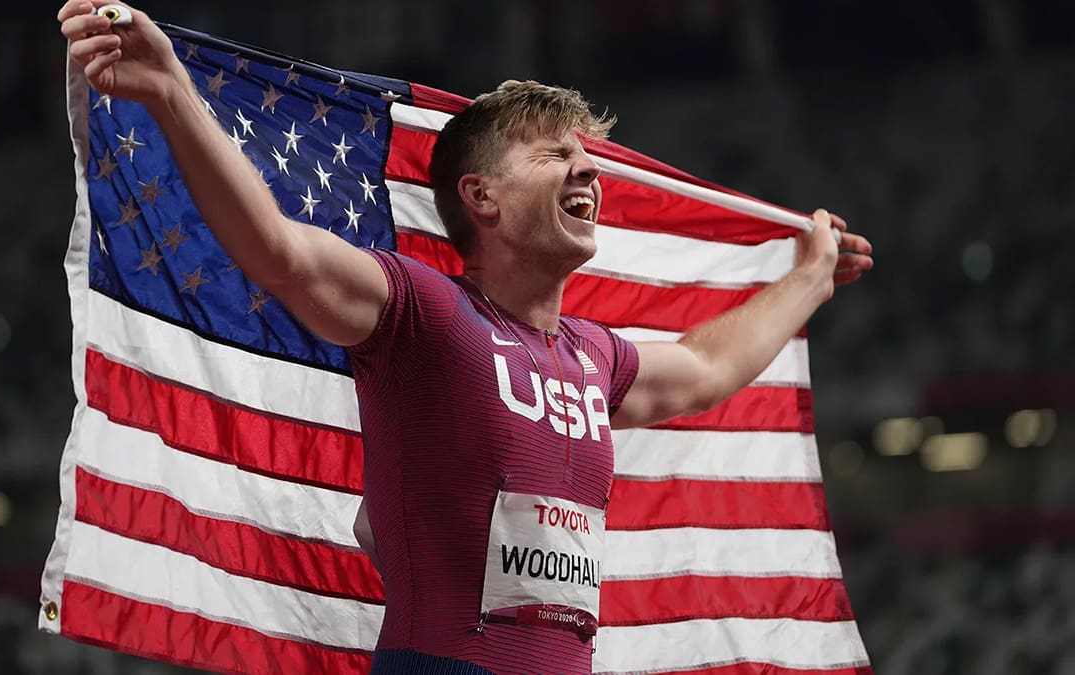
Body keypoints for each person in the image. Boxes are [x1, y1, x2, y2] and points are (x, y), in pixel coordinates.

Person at [58, 3, 874, 674]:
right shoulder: (423, 311)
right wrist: (169, 89)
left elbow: (703, 366)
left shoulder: (595, 356)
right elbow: (277, 248)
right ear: (480, 195)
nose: (589, 174)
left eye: (589, 159)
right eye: (559, 155)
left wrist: (809, 275)